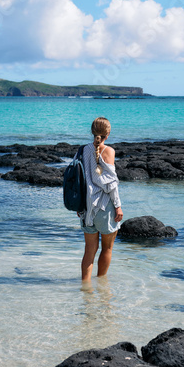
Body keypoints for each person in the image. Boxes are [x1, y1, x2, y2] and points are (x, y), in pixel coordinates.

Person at [78, 117, 123, 282]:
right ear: (108, 133)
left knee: (89, 250)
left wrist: (80, 205)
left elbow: (80, 180)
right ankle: (102, 287)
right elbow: (111, 184)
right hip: (105, 208)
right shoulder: (109, 151)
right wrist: (118, 206)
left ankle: (86, 288)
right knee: (107, 249)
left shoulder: (83, 150)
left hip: (86, 208)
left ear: (92, 132)